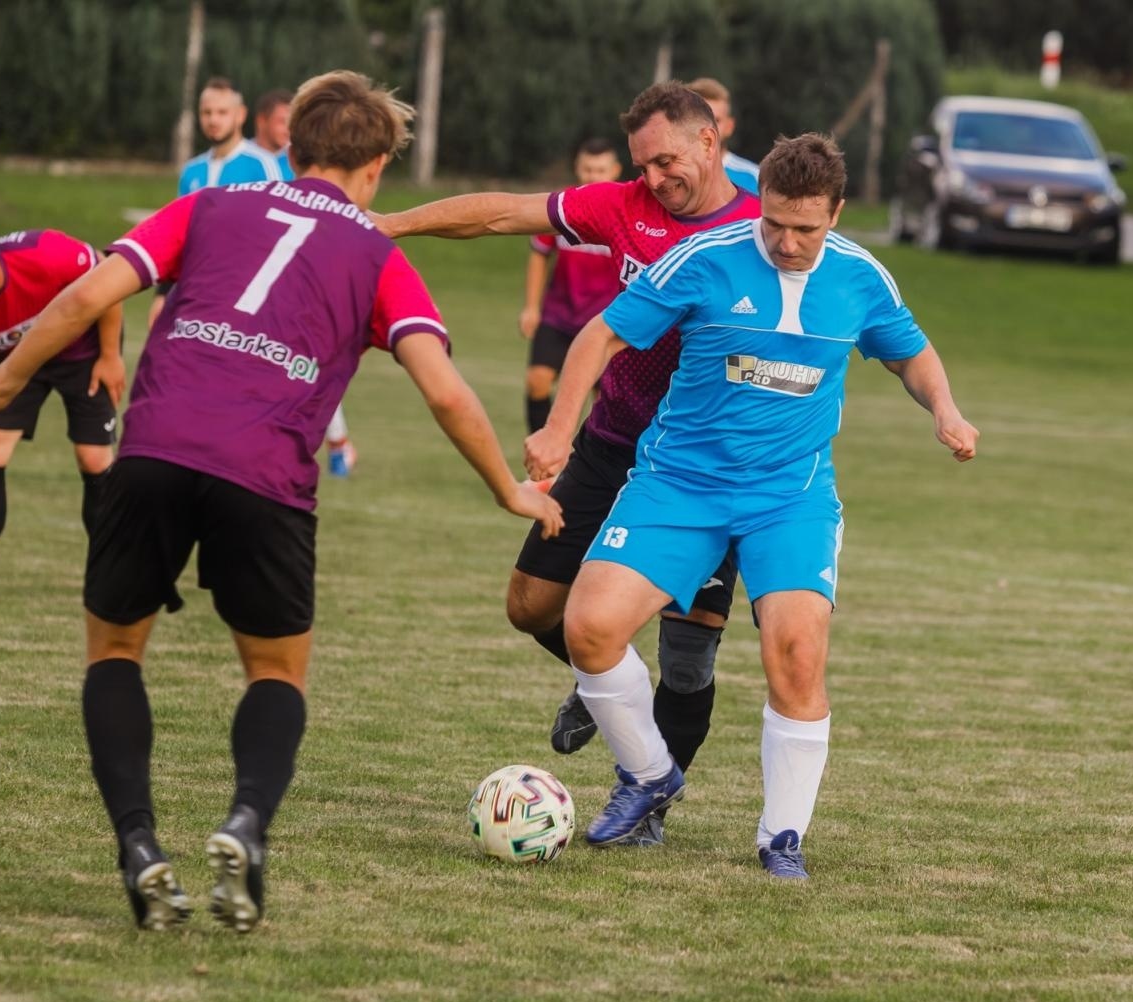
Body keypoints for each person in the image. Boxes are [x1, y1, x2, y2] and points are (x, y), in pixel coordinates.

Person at [0, 70, 562, 932]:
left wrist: (6, 374)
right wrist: (510, 487)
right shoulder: (379, 256)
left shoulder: (208, 209)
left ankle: (137, 844)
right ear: (378, 166)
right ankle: (245, 824)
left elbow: (88, 295)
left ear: (291, 147)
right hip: (264, 478)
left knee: (114, 654)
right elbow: (447, 392)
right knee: (275, 672)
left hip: (154, 451)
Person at [526, 132, 978, 876]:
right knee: (588, 627)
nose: (788, 241)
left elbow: (909, 350)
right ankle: (648, 774)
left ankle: (782, 836)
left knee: (796, 657)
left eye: (807, 227)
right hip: (679, 485)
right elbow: (602, 336)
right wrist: (555, 426)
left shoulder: (861, 277)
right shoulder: (705, 259)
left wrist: (945, 410)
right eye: (775, 222)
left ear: (836, 212)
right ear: (760, 202)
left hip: (788, 500)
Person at [375, 82, 758, 846]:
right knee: (530, 606)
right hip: (612, 441)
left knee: (686, 656)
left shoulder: (759, 229)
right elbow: (501, 211)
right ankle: (607, 675)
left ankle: (649, 798)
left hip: (703, 468)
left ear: (711, 142)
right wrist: (388, 224)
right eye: (642, 165)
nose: (652, 178)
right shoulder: (621, 207)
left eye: (667, 161)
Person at [0, 218, 124, 606]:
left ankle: (111, 580)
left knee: (94, 458)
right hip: (16, 364)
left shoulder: (44, 253)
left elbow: (110, 276)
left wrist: (111, 355)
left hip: (83, 353)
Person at [254, 85, 357, 476]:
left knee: (308, 360)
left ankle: (335, 443)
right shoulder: (253, 163)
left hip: (297, 281)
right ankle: (332, 443)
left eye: (290, 122)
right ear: (262, 121)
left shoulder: (299, 167)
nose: (286, 130)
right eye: (282, 121)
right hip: (259, 284)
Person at [147, 77, 282, 331]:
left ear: (240, 115)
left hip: (244, 293)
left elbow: (275, 234)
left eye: (222, 112)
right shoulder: (192, 170)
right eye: (206, 112)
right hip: (195, 290)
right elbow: (180, 236)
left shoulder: (262, 165)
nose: (213, 120)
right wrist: (162, 294)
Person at [518, 138, 622, 434]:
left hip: (605, 322)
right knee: (537, 381)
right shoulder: (561, 208)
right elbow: (539, 254)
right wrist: (530, 308)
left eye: (600, 169)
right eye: (587, 169)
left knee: (602, 400)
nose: (593, 176)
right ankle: (542, 462)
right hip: (559, 314)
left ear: (614, 171)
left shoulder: (622, 213)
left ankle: (582, 466)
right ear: (577, 169)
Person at [688, 78, 759, 195]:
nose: (708, 129)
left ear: (729, 127)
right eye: (700, 119)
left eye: (716, 120)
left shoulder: (755, 179)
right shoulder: (667, 179)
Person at [252, 87, 296, 178]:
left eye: (292, 123)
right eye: (282, 122)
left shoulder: (297, 162)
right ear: (261, 121)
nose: (288, 130)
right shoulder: (239, 158)